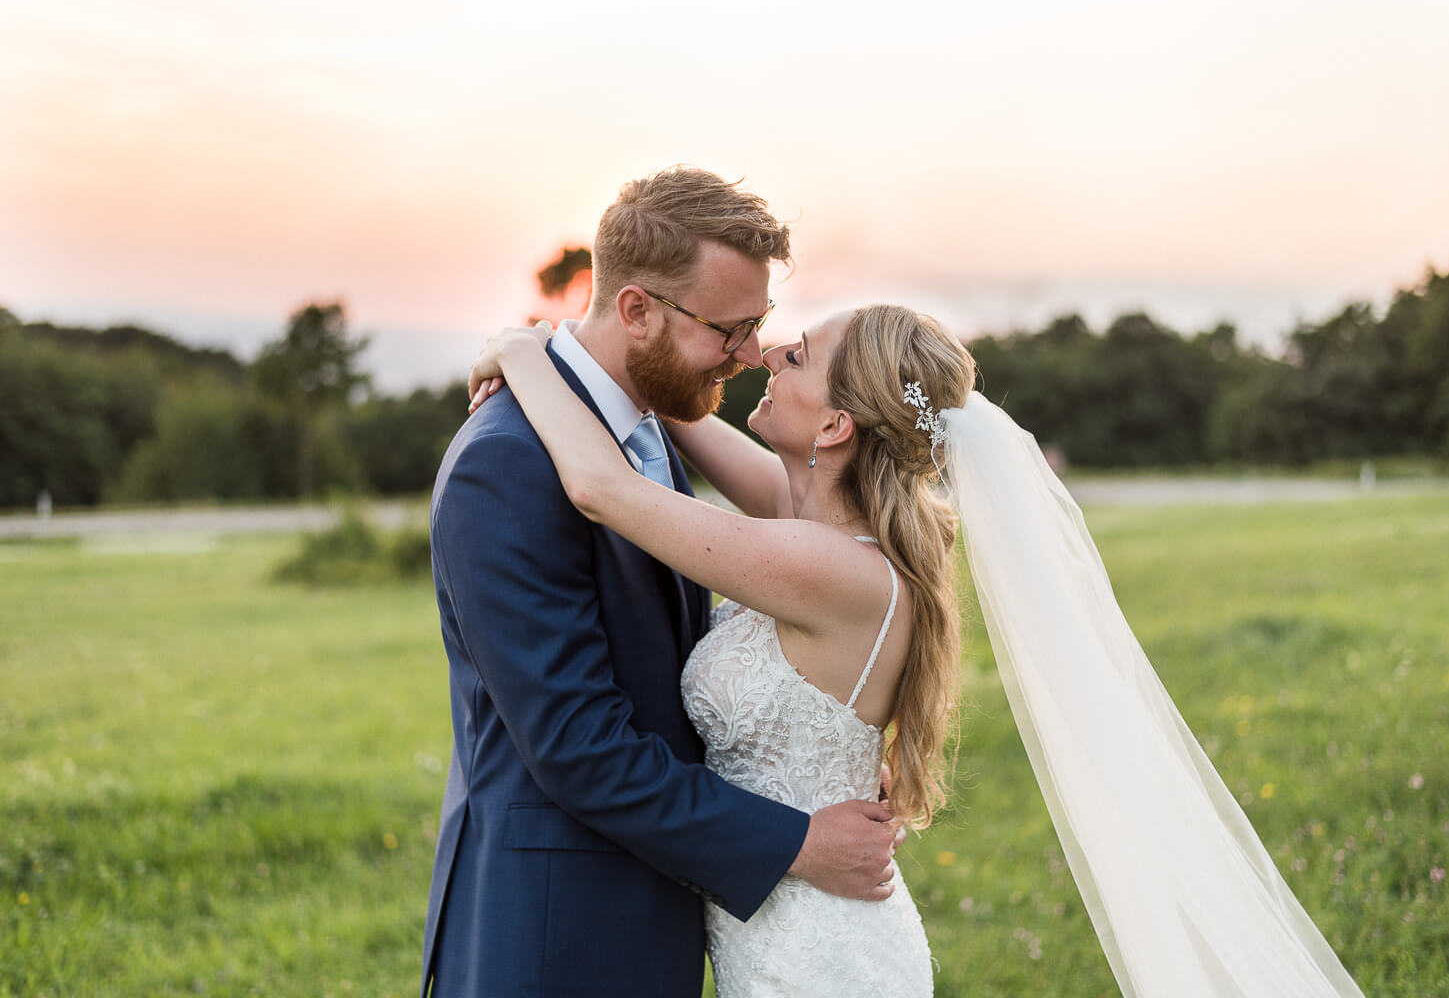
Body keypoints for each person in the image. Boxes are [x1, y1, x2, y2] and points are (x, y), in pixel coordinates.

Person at [470, 302, 1371, 997]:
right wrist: (616, 353)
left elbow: (598, 485)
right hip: (782, 926)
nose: (766, 354)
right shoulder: (818, 529)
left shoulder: (828, 570)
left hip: (818, 954)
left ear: (835, 429)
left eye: (795, 356)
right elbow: (673, 414)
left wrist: (522, 349)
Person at [421, 168, 903, 998]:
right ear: (638, 308)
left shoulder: (643, 433)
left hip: (669, 914)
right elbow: (578, 748)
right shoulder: (507, 463)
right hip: (554, 933)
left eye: (763, 327)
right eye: (731, 327)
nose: (753, 353)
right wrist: (796, 839)